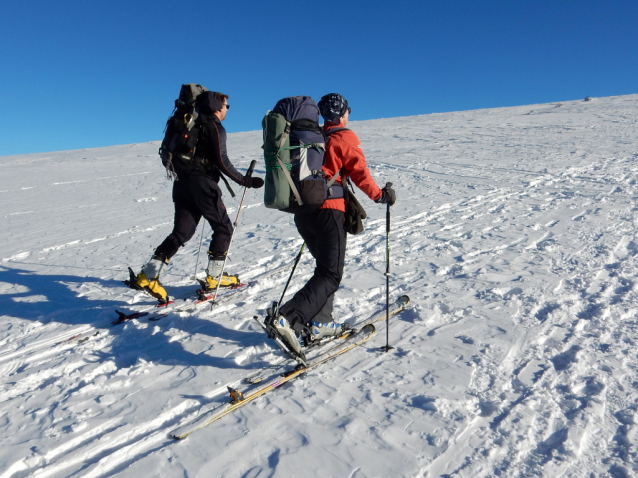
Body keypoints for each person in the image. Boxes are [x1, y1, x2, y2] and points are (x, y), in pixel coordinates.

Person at [272, 93, 396, 354]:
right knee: (330, 274)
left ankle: (321, 323)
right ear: (343, 113)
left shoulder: (312, 137)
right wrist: (380, 195)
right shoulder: (343, 136)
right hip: (329, 212)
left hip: (304, 213)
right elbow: (359, 171)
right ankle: (289, 317)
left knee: (325, 271)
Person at [133, 90, 264, 302]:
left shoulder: (190, 123)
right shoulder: (214, 126)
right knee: (224, 228)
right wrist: (244, 181)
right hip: (203, 185)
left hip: (182, 183)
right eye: (226, 106)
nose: (227, 110)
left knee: (182, 231)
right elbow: (222, 160)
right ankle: (214, 278)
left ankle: (148, 275)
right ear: (217, 107)